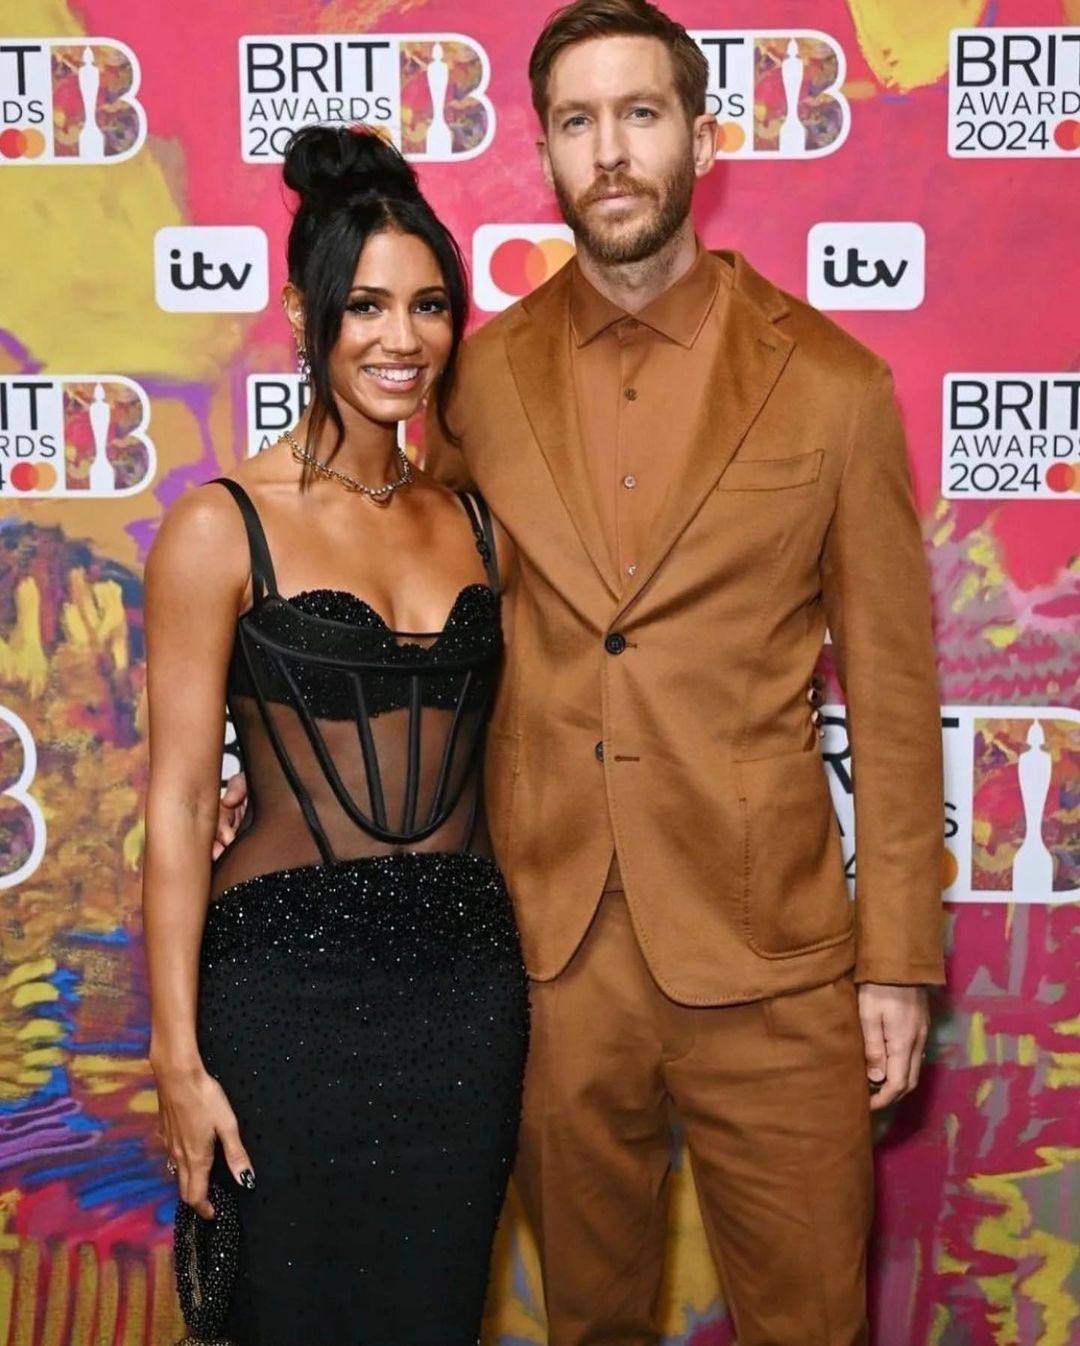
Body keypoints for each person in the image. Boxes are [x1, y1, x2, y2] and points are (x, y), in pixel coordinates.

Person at [218, 2, 946, 1342]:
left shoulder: (834, 388)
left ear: (703, 139)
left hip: (774, 962)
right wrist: (257, 755)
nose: (609, 151)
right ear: (546, 152)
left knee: (813, 1320)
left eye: (640, 113)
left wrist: (896, 963)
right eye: (577, 121)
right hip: (550, 960)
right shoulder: (475, 378)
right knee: (586, 1322)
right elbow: (401, 591)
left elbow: (896, 696)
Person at [142, 124, 528, 1346]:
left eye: (426, 305)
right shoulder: (219, 526)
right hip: (282, 997)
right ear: (308, 317)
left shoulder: (478, 521)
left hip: (466, 997)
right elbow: (169, 806)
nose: (399, 338)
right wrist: (177, 1059)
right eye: (365, 305)